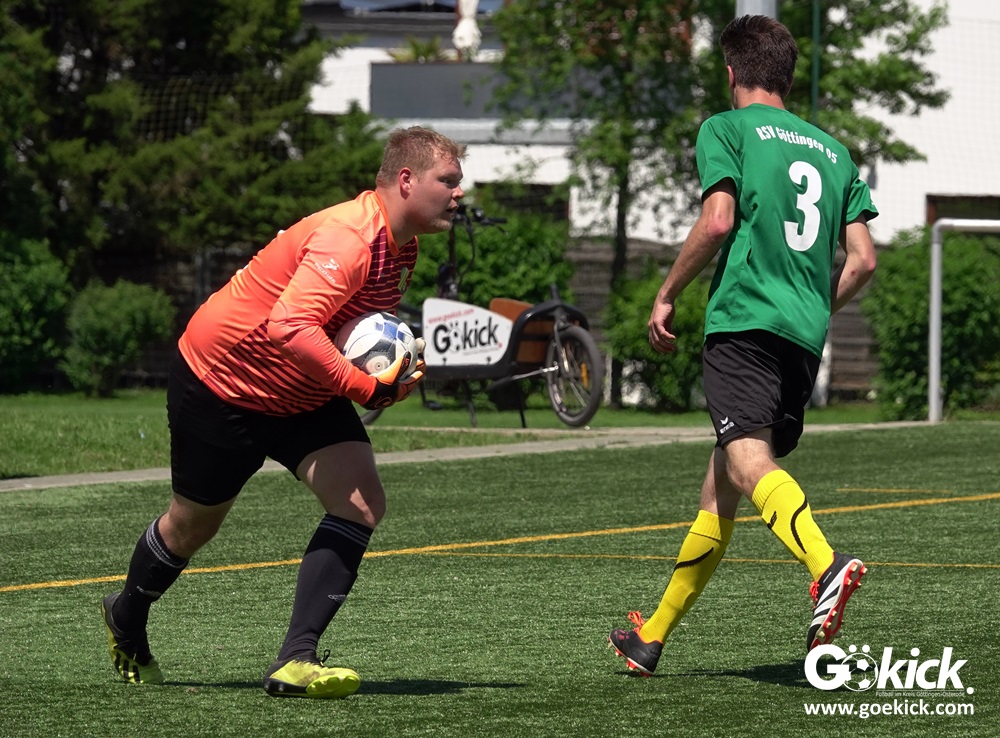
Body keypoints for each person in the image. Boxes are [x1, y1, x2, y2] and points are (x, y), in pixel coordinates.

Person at [101, 126, 467, 698]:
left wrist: (388, 379)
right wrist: (362, 387)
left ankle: (296, 660)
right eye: (448, 180)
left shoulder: (403, 248)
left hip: (301, 393)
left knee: (362, 502)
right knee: (191, 527)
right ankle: (125, 615)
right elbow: (290, 326)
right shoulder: (350, 237)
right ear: (406, 180)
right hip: (223, 385)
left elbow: (349, 336)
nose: (459, 192)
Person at [608, 15, 878, 675]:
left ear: (731, 72)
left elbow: (717, 220)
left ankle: (827, 565)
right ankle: (651, 637)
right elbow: (864, 260)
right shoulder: (835, 153)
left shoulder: (726, 129)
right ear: (786, 75)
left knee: (749, 460)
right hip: (803, 336)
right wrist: (816, 305)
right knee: (721, 486)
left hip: (744, 323)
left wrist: (666, 292)